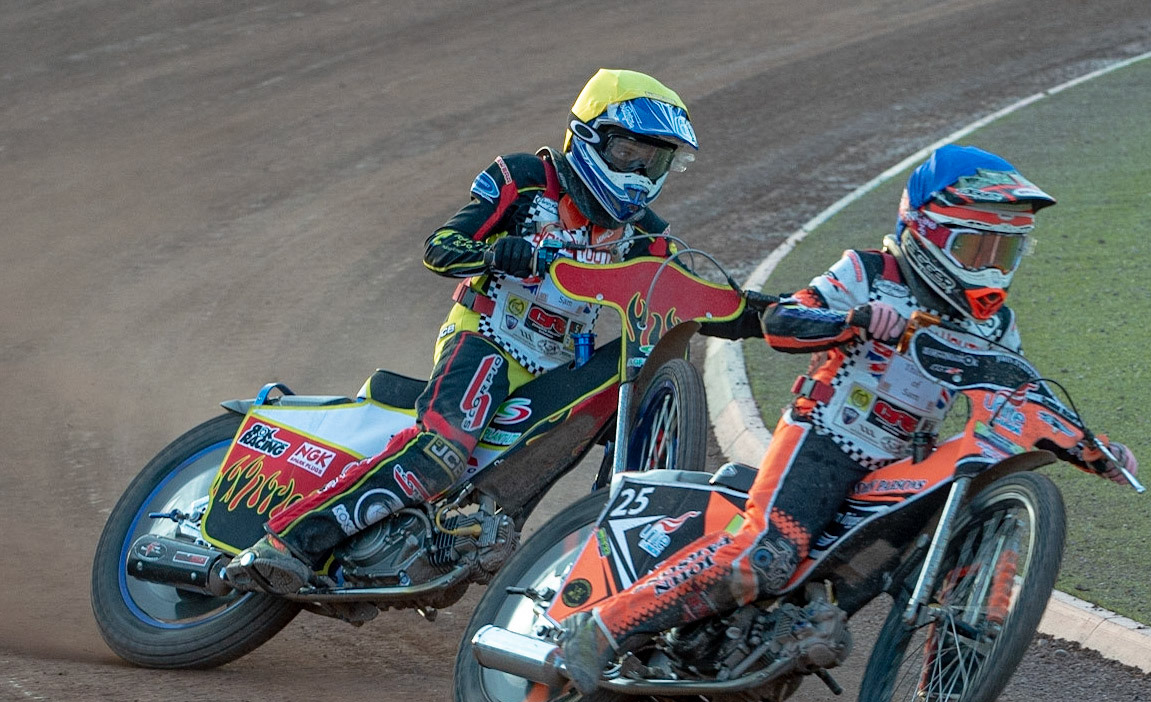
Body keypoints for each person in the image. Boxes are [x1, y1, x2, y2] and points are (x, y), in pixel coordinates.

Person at [559, 144, 1138, 702]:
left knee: (962, 551)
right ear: (928, 234)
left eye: (1005, 250)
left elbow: (1022, 386)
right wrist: (857, 319)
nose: (991, 266)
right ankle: (602, 628)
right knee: (766, 554)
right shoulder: (869, 273)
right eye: (976, 248)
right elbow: (782, 322)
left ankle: (949, 700)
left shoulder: (995, 324)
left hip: (902, 462)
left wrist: (1097, 447)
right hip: (827, 437)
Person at [226, 69, 760, 594]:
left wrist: (773, 314)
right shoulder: (526, 179)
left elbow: (698, 301)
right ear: (590, 136)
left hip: (558, 366)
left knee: (644, 361)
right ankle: (287, 543)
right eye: (629, 154)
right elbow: (439, 247)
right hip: (486, 336)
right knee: (442, 452)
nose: (641, 171)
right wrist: (493, 252)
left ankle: (611, 537)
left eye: (656, 160)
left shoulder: (648, 235)